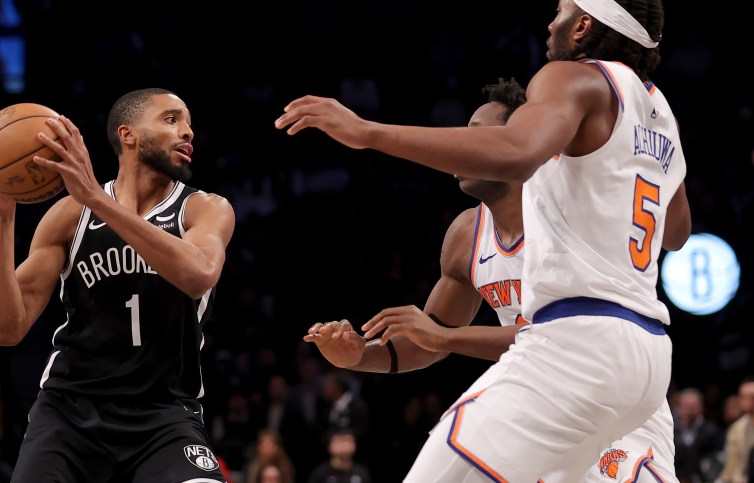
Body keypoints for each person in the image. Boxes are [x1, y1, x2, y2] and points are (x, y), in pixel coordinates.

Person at [279, 0, 692, 476]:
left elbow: (517, 152)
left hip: (577, 347)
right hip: (646, 354)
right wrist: (362, 356)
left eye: (560, 10)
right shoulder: (659, 111)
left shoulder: (569, 78)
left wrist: (367, 132)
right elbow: (675, 232)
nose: (549, 21)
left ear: (583, 25)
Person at [0, 87, 236, 482]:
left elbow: (198, 276)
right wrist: (2, 213)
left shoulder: (204, 208)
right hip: (69, 413)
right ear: (127, 134)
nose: (187, 132)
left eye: (189, 124)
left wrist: (95, 197)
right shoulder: (69, 215)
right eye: (171, 119)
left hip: (163, 415)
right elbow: (5, 329)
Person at [719, 376, 754, 483]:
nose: (747, 400)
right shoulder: (736, 429)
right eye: (743, 397)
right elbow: (730, 469)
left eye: (751, 396)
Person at [307, 429, 372, 483]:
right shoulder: (319, 474)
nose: (343, 446)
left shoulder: (362, 473)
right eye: (339, 441)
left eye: (347, 441)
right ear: (329, 446)